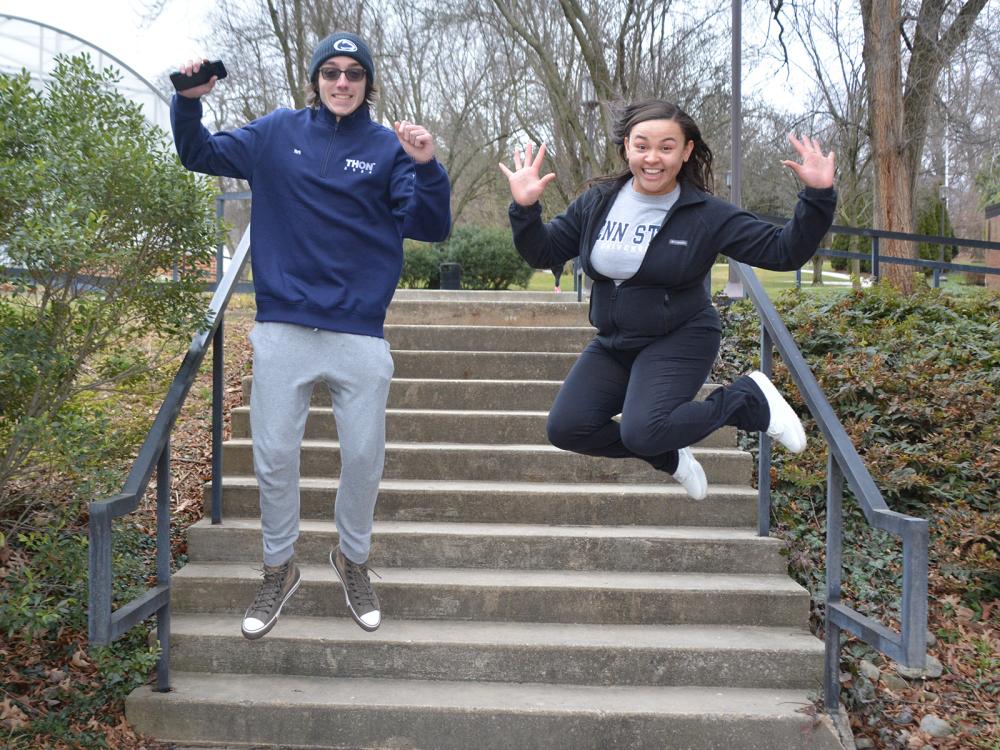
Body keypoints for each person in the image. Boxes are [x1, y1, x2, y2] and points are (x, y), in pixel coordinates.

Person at [171, 31, 451, 639]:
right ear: (316, 80)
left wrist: (427, 165)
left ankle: (351, 558)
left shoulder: (388, 148)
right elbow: (199, 153)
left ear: (368, 83)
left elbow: (430, 225)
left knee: (363, 458)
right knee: (273, 457)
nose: (342, 82)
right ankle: (279, 568)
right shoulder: (275, 132)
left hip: (358, 333)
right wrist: (189, 101)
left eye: (354, 72)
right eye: (331, 71)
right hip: (283, 326)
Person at [499, 99, 835, 501]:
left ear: (686, 151)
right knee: (567, 428)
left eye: (666, 147)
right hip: (615, 341)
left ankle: (746, 399)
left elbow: (783, 252)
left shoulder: (704, 214)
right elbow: (545, 252)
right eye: (642, 146)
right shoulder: (598, 202)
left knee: (642, 429)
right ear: (627, 147)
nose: (652, 158)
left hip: (681, 336)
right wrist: (525, 209)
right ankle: (668, 455)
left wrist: (817, 197)